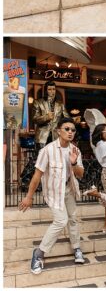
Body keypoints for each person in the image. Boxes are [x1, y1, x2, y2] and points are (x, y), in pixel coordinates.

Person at [19, 116, 86, 275]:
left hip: (69, 189)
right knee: (61, 220)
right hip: (54, 192)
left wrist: (74, 163)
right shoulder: (47, 150)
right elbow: (37, 176)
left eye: (73, 130)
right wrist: (29, 196)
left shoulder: (75, 150)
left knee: (73, 218)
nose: (70, 132)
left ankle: (76, 248)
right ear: (58, 131)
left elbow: (81, 174)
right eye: (67, 129)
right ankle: (39, 253)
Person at [32, 80, 68, 147]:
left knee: (56, 157)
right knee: (42, 157)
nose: (52, 91)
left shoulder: (60, 104)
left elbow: (66, 119)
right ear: (46, 91)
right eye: (49, 89)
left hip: (56, 137)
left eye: (54, 89)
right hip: (42, 138)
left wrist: (73, 120)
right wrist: (46, 117)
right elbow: (34, 119)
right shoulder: (38, 102)